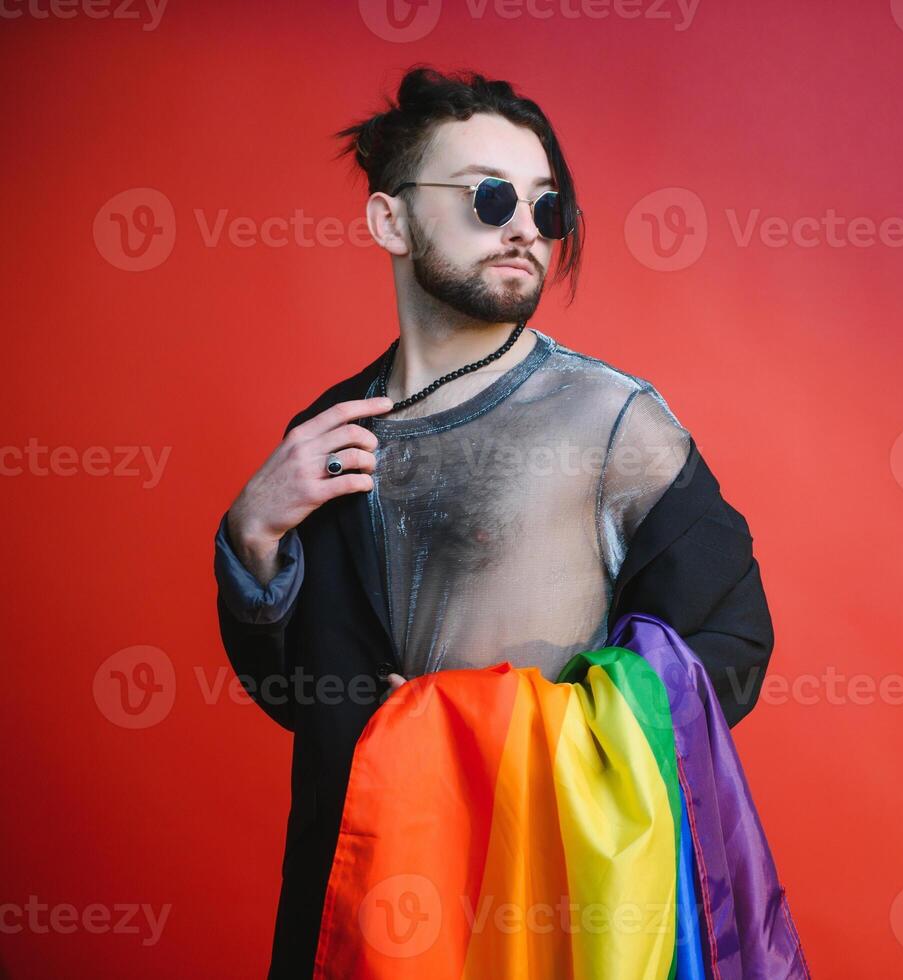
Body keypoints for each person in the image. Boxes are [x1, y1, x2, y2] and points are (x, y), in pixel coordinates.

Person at [212, 65, 775, 979]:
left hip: (541, 902)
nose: (524, 227)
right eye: (487, 196)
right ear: (390, 220)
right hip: (365, 902)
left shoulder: (612, 425)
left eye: (546, 208)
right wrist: (252, 539)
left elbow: (732, 646)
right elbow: (295, 700)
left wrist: (494, 727)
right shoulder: (329, 434)